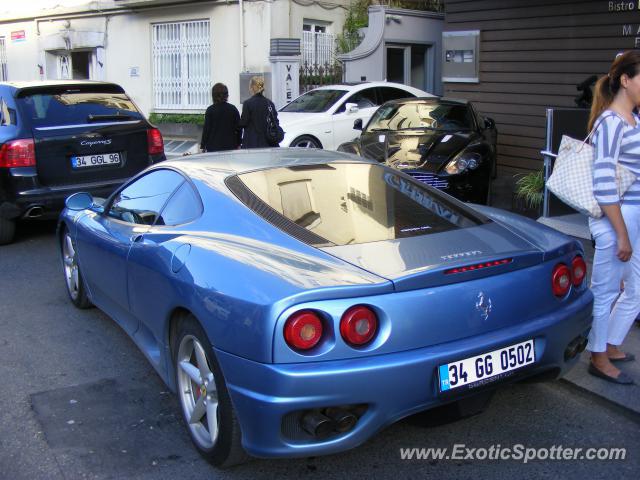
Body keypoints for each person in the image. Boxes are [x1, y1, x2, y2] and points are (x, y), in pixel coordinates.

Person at [586, 50, 640, 385]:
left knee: (636, 287)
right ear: (625, 80)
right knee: (605, 290)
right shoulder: (610, 122)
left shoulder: (635, 120)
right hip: (616, 218)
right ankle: (597, 357)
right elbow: (603, 182)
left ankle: (611, 343)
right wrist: (621, 234)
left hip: (634, 215)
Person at [239, 76, 281, 148]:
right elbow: (275, 121)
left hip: (251, 143)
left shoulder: (248, 103)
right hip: (269, 142)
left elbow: (243, 123)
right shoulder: (270, 103)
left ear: (251, 87)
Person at [200, 83, 241, 152]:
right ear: (226, 95)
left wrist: (203, 145)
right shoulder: (233, 109)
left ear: (214, 95)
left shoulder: (210, 110)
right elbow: (239, 128)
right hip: (230, 145)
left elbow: (206, 130)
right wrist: (239, 142)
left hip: (213, 146)